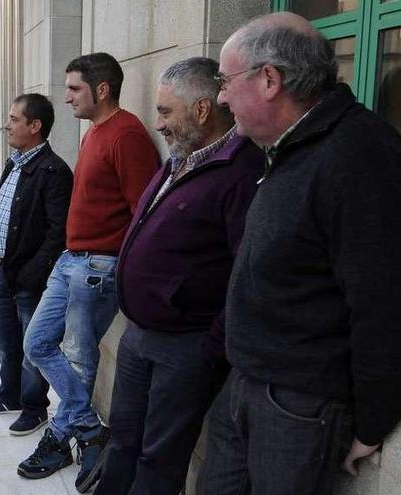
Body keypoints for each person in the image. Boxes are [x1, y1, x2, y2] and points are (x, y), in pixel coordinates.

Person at [198, 13, 401, 494]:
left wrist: (372, 423)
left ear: (270, 79)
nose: (221, 96)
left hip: (297, 405)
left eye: (225, 81)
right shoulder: (292, 144)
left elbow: (382, 302)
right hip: (247, 382)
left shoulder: (359, 154)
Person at [94, 58, 263, 495]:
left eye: (166, 112)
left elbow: (249, 275)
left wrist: (209, 346)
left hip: (186, 346)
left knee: (159, 456)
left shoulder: (241, 172)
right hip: (139, 335)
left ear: (203, 109)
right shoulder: (181, 158)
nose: (159, 124)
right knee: (124, 437)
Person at [18, 53, 160, 493]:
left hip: (99, 266)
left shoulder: (128, 135)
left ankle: (62, 437)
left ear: (101, 90)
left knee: (79, 358)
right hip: (71, 260)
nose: (67, 97)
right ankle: (89, 428)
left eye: (75, 89)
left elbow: (145, 213)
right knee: (37, 342)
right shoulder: (94, 132)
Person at [0, 93, 73, 437]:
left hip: (30, 279)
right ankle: (9, 396)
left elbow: (58, 232)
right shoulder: (15, 161)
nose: (7, 125)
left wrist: (33, 273)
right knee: (5, 340)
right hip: (3, 271)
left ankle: (34, 407)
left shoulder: (54, 171)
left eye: (14, 120)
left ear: (35, 126)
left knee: (33, 347)